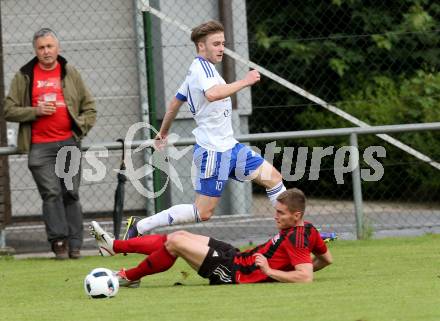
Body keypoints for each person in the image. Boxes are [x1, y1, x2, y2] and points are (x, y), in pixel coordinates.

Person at [124, 20, 286, 238]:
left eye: (223, 43)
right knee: (203, 212)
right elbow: (213, 94)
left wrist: (162, 133)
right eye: (216, 44)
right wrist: (245, 81)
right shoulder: (202, 70)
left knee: (274, 178)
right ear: (202, 46)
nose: (221, 49)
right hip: (213, 151)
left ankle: (292, 234)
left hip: (231, 147)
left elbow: (175, 103)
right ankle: (140, 226)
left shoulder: (199, 71)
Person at [90, 188, 332, 286]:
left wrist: (270, 272)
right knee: (179, 235)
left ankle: (128, 276)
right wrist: (289, 267)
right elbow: (326, 260)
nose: (275, 216)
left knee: (176, 243)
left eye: (281, 213)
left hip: (235, 273)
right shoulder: (307, 229)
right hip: (237, 257)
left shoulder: (298, 238)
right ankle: (114, 246)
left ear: (296, 214)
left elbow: (305, 277)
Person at [4, 28, 96, 259]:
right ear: (35, 51)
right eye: (41, 48)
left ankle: (75, 245)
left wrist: (79, 129)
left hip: (68, 144)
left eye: (49, 46)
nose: (46, 51)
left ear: (58, 48)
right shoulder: (24, 75)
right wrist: (35, 111)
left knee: (70, 193)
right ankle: (59, 243)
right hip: (39, 147)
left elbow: (90, 107)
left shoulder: (70, 72)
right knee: (51, 193)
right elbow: (8, 109)